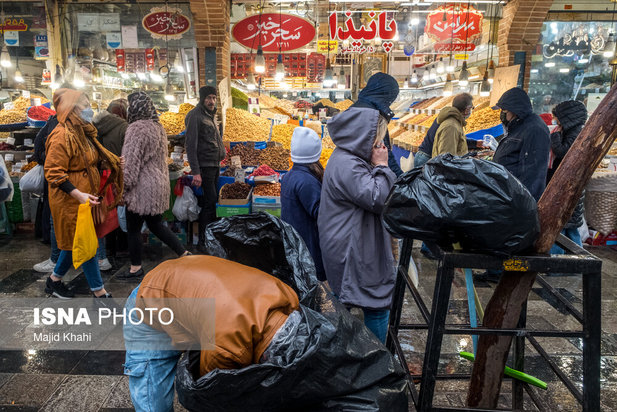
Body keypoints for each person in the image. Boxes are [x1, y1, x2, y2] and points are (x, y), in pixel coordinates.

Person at [123, 255, 299, 411]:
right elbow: (209, 391)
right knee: (153, 400)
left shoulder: (288, 298)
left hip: (187, 286)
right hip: (150, 302)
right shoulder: (228, 346)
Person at [318, 108, 396, 343]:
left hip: (348, 241)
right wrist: (383, 166)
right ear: (364, 137)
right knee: (376, 306)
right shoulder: (349, 164)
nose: (380, 143)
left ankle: (342, 350)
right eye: (377, 138)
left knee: (344, 297)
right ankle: (376, 364)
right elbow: (378, 198)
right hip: (352, 247)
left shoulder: (347, 157)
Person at [44, 88, 123, 298]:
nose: (90, 109)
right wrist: (77, 194)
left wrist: (111, 160)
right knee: (87, 243)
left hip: (85, 197)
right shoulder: (61, 135)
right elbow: (53, 172)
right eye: (85, 105)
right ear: (72, 108)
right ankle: (99, 290)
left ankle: (54, 281)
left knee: (74, 243)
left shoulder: (83, 131)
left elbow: (90, 159)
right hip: (70, 200)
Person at [117, 92, 189, 280]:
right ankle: (183, 254)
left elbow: (131, 162)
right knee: (156, 224)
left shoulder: (135, 129)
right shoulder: (158, 127)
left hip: (142, 187)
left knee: (133, 229)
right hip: (158, 183)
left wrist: (124, 187)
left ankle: (135, 268)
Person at [184, 86, 226, 252]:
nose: (211, 101)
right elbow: (190, 144)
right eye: (208, 98)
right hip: (205, 167)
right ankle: (202, 242)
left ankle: (209, 238)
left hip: (214, 165)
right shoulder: (195, 116)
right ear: (202, 99)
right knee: (209, 203)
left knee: (211, 201)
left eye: (214, 98)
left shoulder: (210, 115)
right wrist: (196, 172)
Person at [281, 127, 326, 281]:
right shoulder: (306, 181)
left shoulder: (290, 176)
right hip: (308, 248)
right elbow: (321, 214)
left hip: (296, 244)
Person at [493, 87, 550, 201]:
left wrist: (522, 202)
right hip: (505, 193)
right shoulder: (518, 125)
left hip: (515, 198)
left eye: (504, 111)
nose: (502, 115)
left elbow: (532, 173)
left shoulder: (535, 129)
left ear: (514, 110)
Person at [547, 100, 588, 253]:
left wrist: (555, 136)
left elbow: (563, 152)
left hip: (569, 186)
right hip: (571, 185)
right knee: (569, 227)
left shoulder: (575, 132)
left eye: (556, 117)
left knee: (562, 226)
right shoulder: (573, 130)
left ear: (566, 117)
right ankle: (577, 260)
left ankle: (559, 264)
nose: (555, 120)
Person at [94, 99, 130, 269]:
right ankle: (121, 247)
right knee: (119, 208)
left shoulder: (95, 125)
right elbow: (126, 152)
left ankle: (107, 250)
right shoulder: (124, 127)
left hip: (100, 174)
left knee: (105, 212)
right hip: (117, 172)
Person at [350, 72, 403, 177]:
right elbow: (384, 152)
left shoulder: (357, 108)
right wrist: (401, 178)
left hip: (355, 173)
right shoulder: (374, 117)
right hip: (367, 176)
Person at [432, 93, 474, 157]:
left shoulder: (456, 123)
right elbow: (446, 158)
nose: (471, 110)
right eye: (472, 108)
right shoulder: (451, 127)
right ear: (467, 110)